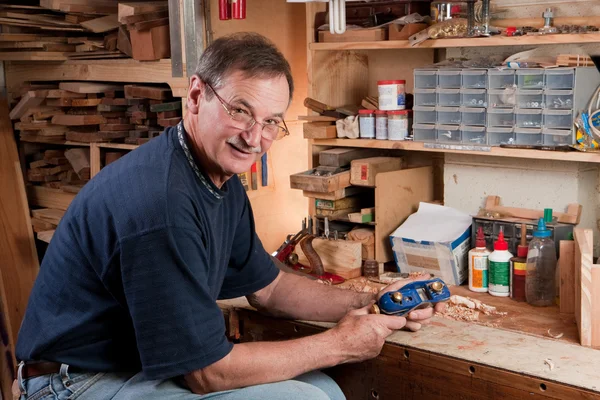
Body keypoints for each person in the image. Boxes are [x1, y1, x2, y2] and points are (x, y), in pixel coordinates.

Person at [14, 32, 444, 400]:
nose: (255, 138)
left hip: (134, 367)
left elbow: (270, 289)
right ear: (197, 95)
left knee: (324, 389)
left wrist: (371, 303)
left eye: (272, 121)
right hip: (78, 384)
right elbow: (206, 374)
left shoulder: (217, 176)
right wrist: (341, 344)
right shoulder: (162, 206)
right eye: (240, 111)